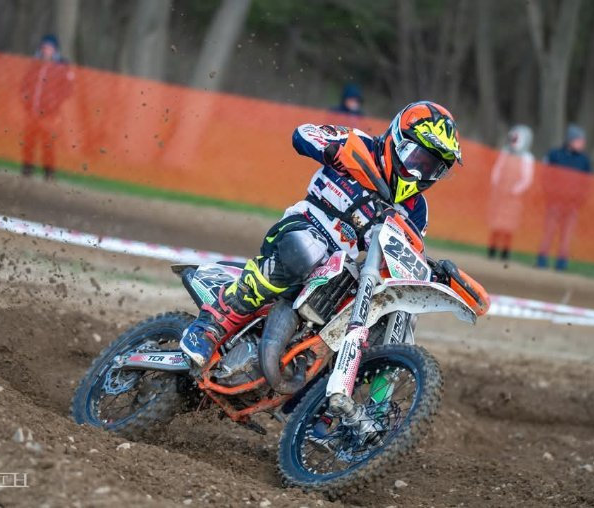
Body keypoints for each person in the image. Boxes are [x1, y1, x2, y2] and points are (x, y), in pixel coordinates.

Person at [180, 101, 489, 367]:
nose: (422, 172)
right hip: (302, 229)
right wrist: (330, 150)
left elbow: (405, 255)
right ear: (398, 140)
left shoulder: (416, 210)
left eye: (434, 168)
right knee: (307, 249)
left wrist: (434, 273)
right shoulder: (358, 144)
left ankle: (329, 398)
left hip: (344, 267)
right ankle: (212, 324)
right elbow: (302, 134)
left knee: (388, 310)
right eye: (419, 160)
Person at [536, 124, 592, 270]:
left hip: (572, 204)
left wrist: (579, 201)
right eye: (579, 140)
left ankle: (561, 263)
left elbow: (587, 184)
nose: (582, 144)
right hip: (555, 202)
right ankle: (542, 260)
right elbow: (546, 176)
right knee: (549, 232)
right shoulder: (555, 155)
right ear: (570, 140)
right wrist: (550, 195)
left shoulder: (584, 161)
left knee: (567, 236)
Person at [19, 34, 74, 180]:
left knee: (48, 143)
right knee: (29, 141)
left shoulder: (61, 67)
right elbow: (25, 85)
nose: (46, 51)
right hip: (32, 111)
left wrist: (54, 103)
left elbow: (67, 90)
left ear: (55, 50)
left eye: (49, 48)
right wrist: (26, 102)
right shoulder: (35, 65)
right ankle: (27, 169)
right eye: (44, 48)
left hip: (50, 113)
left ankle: (49, 172)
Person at [487, 125, 534, 260]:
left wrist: (515, 190)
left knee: (509, 226)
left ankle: (505, 251)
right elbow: (497, 169)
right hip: (500, 193)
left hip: (514, 198)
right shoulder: (505, 152)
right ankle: (492, 249)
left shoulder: (527, 158)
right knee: (496, 223)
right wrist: (497, 185)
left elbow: (526, 179)